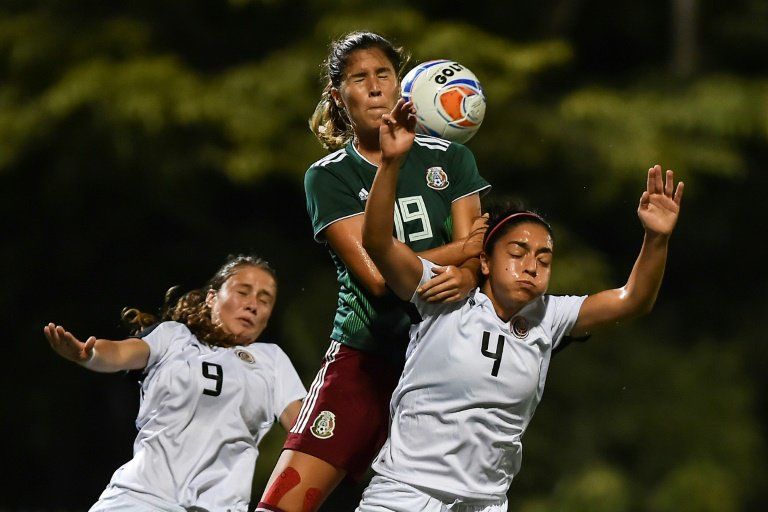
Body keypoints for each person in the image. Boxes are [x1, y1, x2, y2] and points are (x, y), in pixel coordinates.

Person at [355, 99, 684, 511]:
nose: (531, 266)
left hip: (486, 503)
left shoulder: (548, 316)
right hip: (406, 495)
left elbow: (633, 299)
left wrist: (656, 239)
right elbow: (378, 243)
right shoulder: (447, 296)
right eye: (518, 252)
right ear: (486, 263)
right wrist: (390, 164)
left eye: (544, 260)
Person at [257, 32, 490, 512]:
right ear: (338, 97)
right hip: (364, 363)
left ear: (401, 84)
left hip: (440, 365)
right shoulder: (329, 175)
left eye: (384, 74)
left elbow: (476, 255)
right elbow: (381, 278)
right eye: (360, 79)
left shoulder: (452, 159)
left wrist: (469, 273)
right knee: (281, 506)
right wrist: (461, 254)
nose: (376, 87)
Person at [43, 255, 307, 512]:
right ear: (212, 297)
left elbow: (307, 432)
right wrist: (87, 354)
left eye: (265, 300)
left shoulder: (271, 360)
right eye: (243, 292)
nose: (253, 305)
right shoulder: (174, 337)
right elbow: (119, 353)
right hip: (140, 499)